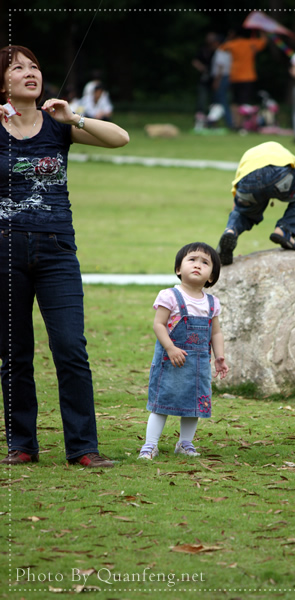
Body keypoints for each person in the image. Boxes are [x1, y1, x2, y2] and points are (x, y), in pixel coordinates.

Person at [0, 45, 129, 467]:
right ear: (3, 83)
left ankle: (83, 448)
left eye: (34, 66)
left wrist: (74, 116)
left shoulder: (58, 126)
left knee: (71, 347)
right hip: (6, 249)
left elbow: (120, 138)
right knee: (14, 352)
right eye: (17, 68)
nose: (30, 73)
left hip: (56, 249)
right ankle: (21, 444)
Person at [138, 243, 229, 460]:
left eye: (205, 263)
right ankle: (150, 445)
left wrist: (219, 356)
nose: (198, 265)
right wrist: (170, 347)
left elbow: (215, 333)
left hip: (198, 366)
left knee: (194, 405)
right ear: (179, 269)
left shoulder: (211, 303)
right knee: (161, 404)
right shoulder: (169, 296)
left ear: (211, 276)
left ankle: (185, 443)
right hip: (170, 362)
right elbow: (159, 325)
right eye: (192, 260)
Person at [216, 141, 295, 265]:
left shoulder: (248, 158)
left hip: (248, 180)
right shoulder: (283, 154)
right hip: (279, 174)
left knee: (244, 213)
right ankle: (284, 229)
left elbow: (238, 205)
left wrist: (231, 225)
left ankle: (230, 231)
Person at [219, 28, 267, 129]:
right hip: (248, 77)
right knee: (244, 102)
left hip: (235, 77)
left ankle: (235, 124)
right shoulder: (251, 43)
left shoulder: (233, 44)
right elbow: (264, 41)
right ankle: (243, 125)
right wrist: (261, 31)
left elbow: (222, 48)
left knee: (235, 102)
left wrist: (229, 38)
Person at [192, 33, 219, 129]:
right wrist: (202, 68)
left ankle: (212, 123)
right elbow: (195, 61)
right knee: (201, 101)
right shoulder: (203, 50)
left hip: (215, 79)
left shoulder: (218, 51)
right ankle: (199, 122)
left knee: (214, 103)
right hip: (204, 79)